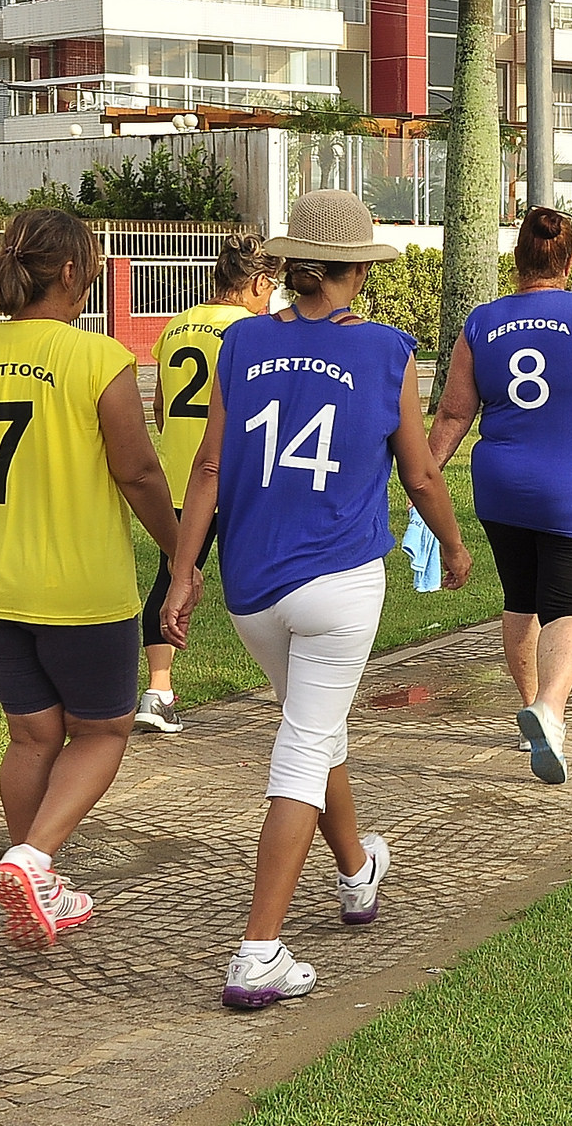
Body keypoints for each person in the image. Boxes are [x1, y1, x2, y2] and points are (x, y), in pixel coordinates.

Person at [161, 190, 472, 1010]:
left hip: (250, 586)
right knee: (303, 747)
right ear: (358, 272)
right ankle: (258, 951)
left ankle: (356, 870)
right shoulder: (386, 350)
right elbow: (422, 471)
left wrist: (184, 569)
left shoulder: (244, 342)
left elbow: (205, 470)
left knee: (312, 723)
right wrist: (452, 540)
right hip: (338, 578)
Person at [0, 208, 183, 949]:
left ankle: (36, 880)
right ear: (72, 272)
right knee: (103, 729)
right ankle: (34, 860)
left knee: (32, 735)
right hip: (78, 586)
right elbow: (139, 472)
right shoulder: (97, 359)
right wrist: (180, 553)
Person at [429, 206, 572, 783]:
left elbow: (455, 414)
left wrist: (423, 477)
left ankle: (530, 704)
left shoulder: (481, 323)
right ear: (570, 260)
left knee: (522, 598)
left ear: (517, 261)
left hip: (502, 486)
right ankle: (550, 709)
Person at [136, 234, 282, 734]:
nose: (273, 300)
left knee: (173, 576)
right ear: (260, 282)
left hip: (181, 477)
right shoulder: (253, 330)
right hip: (239, 472)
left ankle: (157, 691)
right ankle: (293, 688)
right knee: (268, 575)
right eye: (273, 289)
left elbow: (159, 407)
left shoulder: (175, 326)